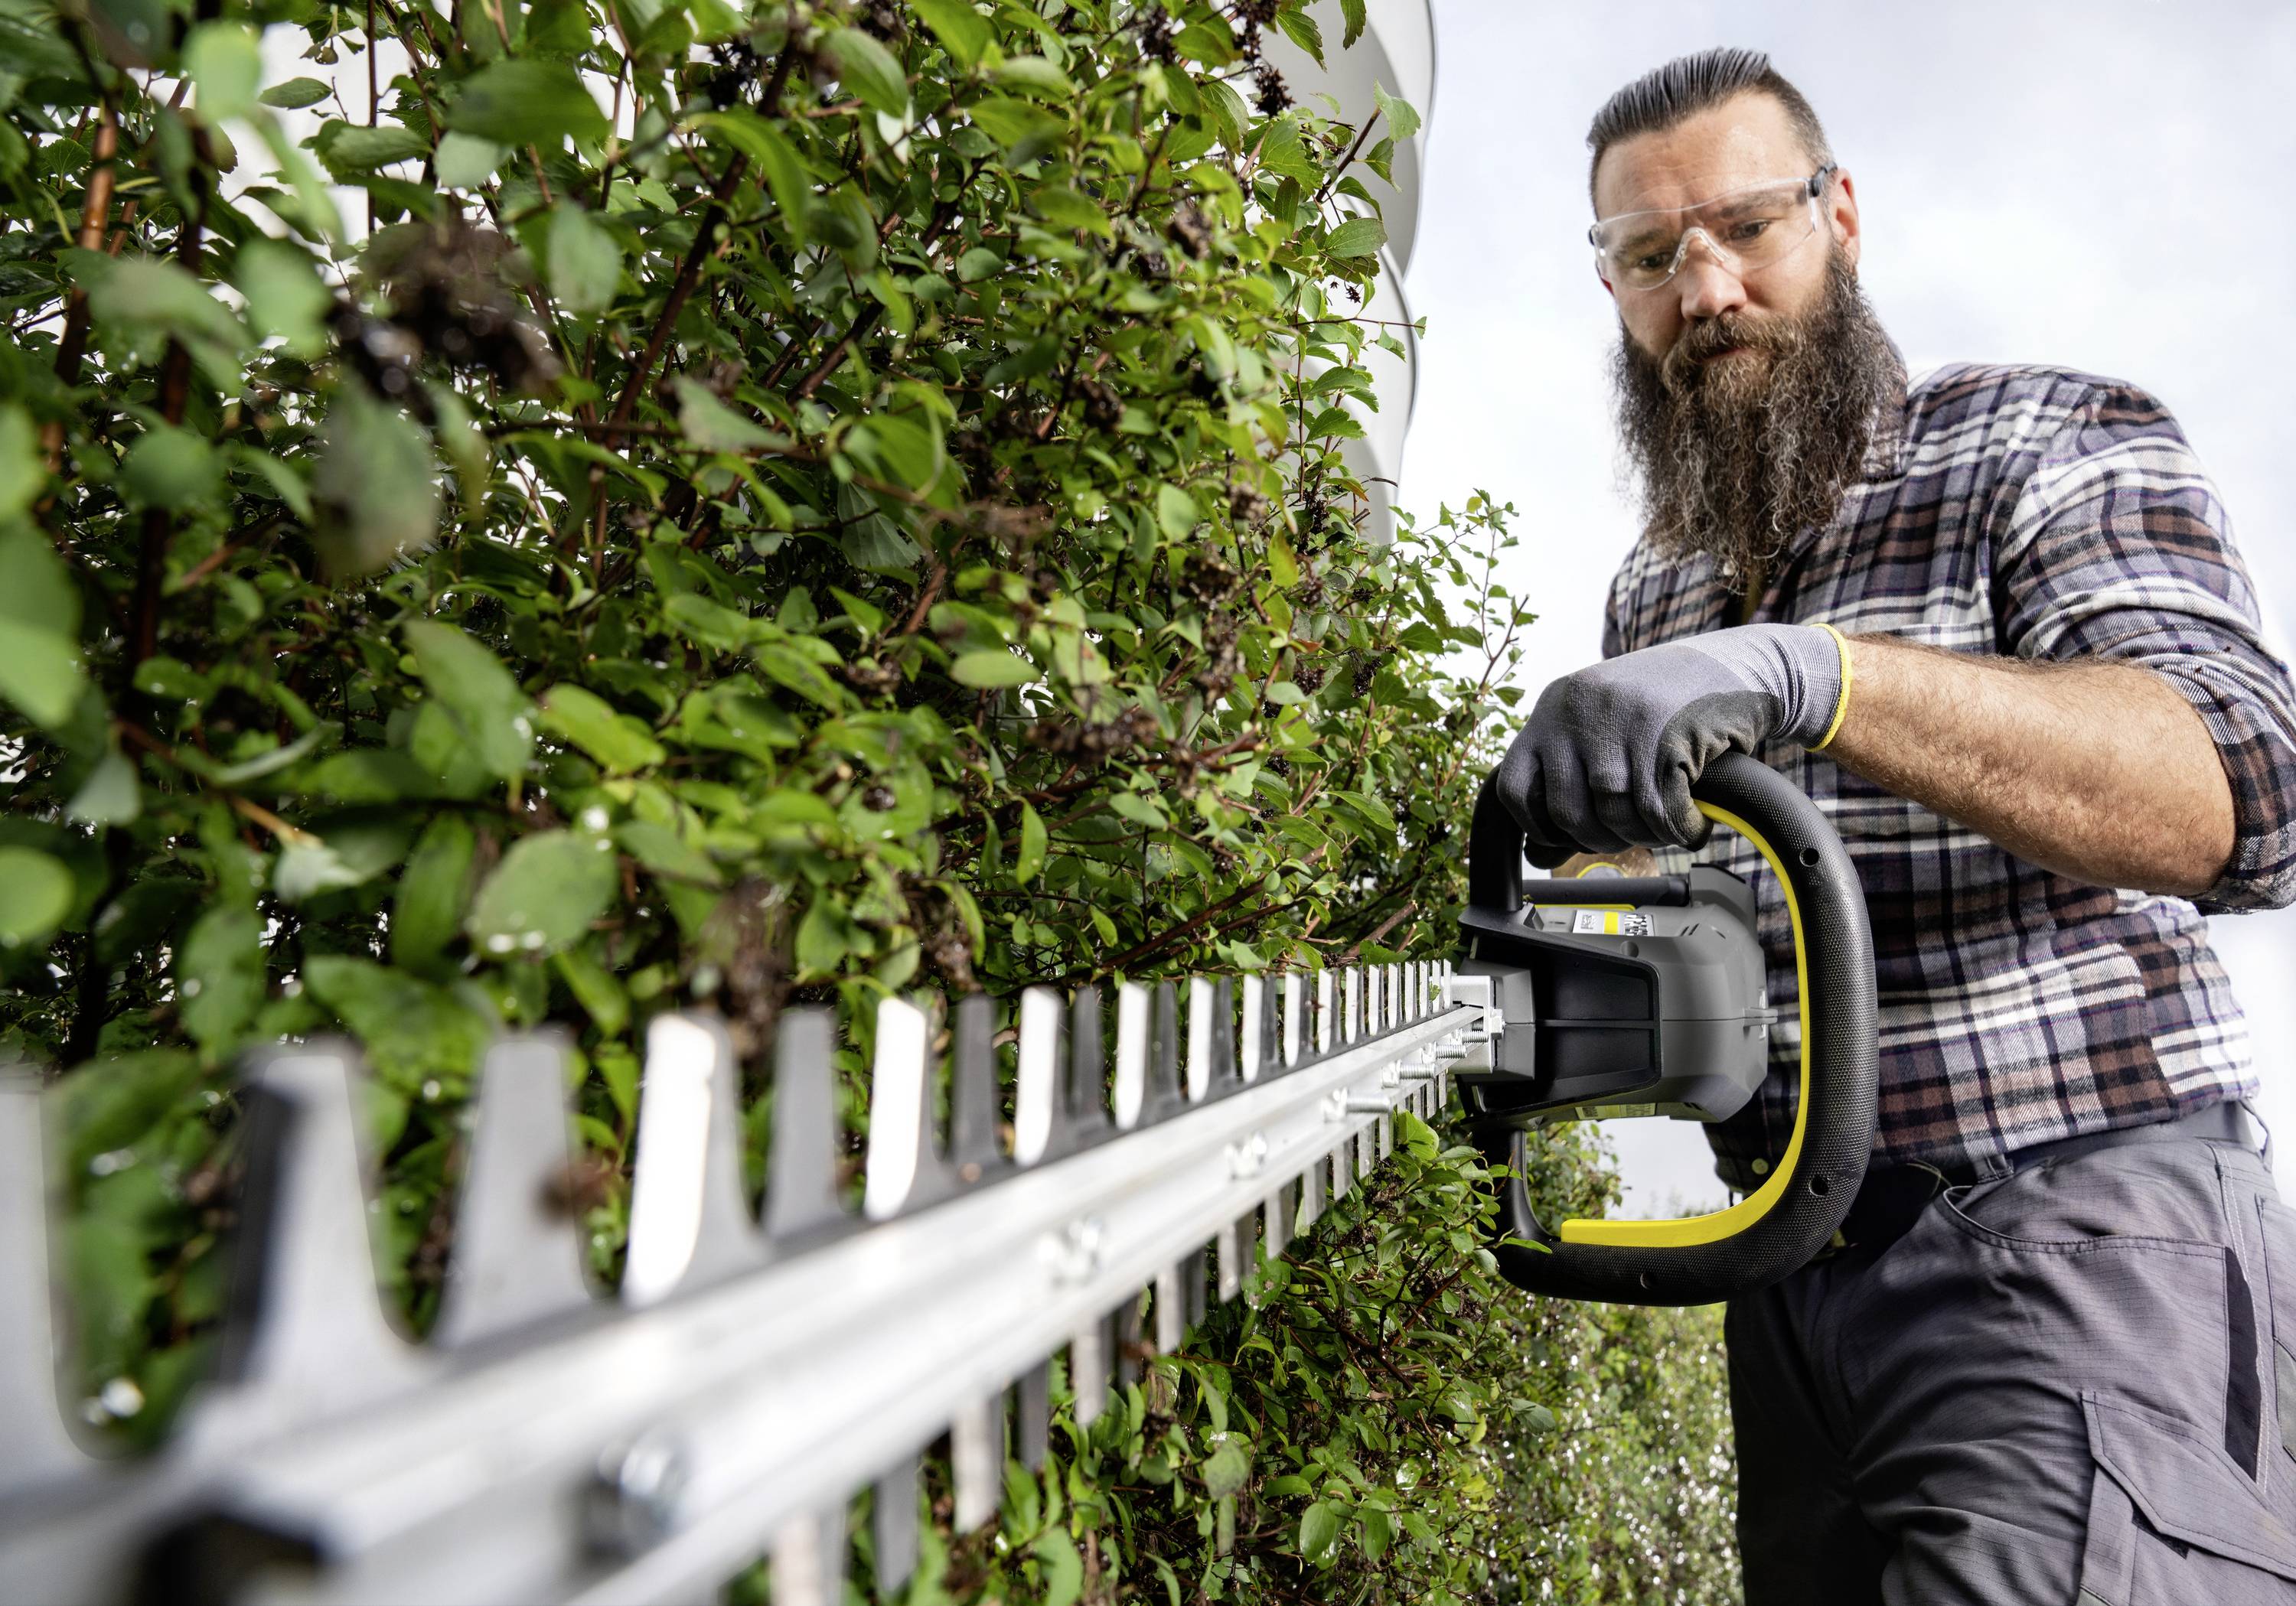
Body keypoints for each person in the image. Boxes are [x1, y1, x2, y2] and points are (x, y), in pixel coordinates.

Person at [1492, 47, 2296, 1604]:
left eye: (1745, 228)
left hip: (2075, 1230)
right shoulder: (1659, 587)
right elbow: (1712, 938)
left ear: (1841, 217)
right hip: (1791, 1271)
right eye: (1651, 257)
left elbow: (2243, 785)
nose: (1707, 289)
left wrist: (1821, 680)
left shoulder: (2039, 443)